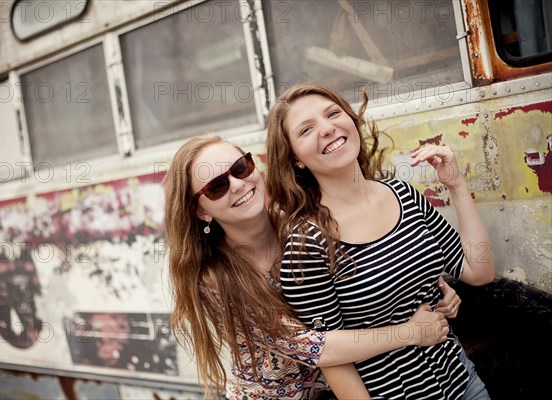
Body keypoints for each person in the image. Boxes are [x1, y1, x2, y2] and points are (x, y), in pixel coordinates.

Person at [163, 135, 461, 399]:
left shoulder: (300, 224)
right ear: (201, 210)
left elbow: (369, 268)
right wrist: (410, 332)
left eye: (241, 168)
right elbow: (313, 347)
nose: (239, 185)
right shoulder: (216, 279)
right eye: (217, 186)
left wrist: (433, 287)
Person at [265, 84, 494, 399]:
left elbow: (478, 270)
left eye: (332, 113)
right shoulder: (308, 243)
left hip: (463, 382)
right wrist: (409, 334)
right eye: (307, 129)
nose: (328, 128)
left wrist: (455, 184)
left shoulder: (404, 194)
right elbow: (331, 356)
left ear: (351, 120)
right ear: (295, 158)